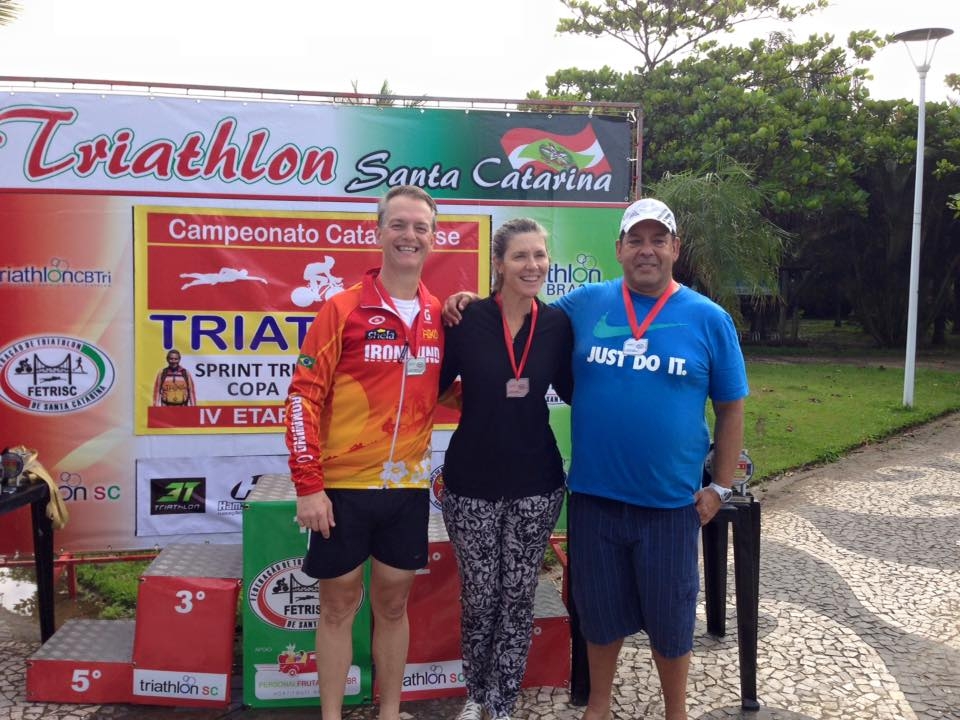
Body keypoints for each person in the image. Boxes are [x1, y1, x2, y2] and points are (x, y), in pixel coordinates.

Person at [445, 198, 747, 720]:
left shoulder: (709, 318)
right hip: (594, 497)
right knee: (599, 614)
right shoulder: (583, 305)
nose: (646, 250)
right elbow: (519, 309)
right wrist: (469, 302)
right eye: (636, 240)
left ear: (674, 248)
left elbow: (730, 405)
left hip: (670, 501)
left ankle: (676, 712)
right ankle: (598, 707)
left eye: (658, 240)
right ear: (619, 249)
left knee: (672, 619)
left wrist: (719, 487)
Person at [284, 185, 444, 720]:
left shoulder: (437, 314)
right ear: (378, 234)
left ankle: (390, 712)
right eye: (399, 225)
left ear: (433, 238)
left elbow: (450, 388)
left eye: (420, 227)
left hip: (407, 487)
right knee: (337, 605)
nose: (409, 235)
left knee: (394, 604)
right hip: (343, 486)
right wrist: (308, 485)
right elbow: (303, 395)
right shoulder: (343, 308)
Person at [439, 218, 573, 720]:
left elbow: (582, 390)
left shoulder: (557, 324)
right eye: (520, 256)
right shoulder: (467, 318)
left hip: (536, 482)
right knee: (479, 596)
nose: (532, 265)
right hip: (470, 482)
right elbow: (431, 387)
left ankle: (502, 700)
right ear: (498, 264)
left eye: (539, 255)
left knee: (517, 597)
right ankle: (476, 694)